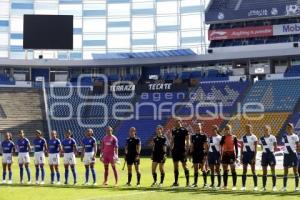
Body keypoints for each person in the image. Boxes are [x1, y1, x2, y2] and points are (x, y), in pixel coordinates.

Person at [170, 118, 190, 187]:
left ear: (180, 122)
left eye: (177, 121)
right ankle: (176, 182)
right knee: (175, 166)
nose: (175, 123)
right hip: (175, 151)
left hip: (182, 151)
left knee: (185, 166)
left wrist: (187, 149)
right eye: (175, 121)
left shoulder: (185, 130)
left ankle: (187, 182)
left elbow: (187, 140)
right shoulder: (174, 130)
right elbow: (172, 140)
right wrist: (170, 147)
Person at [281, 123, 299, 192]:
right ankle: (284, 187)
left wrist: (297, 152)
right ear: (286, 128)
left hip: (293, 155)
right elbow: (284, 145)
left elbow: (298, 145)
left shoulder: (295, 136)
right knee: (285, 171)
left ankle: (296, 187)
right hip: (286, 155)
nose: (289, 128)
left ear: (292, 128)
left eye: (290, 127)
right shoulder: (284, 136)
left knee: (295, 171)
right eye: (288, 127)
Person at [259, 125, 277, 192]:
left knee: (273, 171)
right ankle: (264, 187)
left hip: (271, 155)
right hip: (264, 155)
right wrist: (265, 152)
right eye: (264, 130)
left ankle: (274, 186)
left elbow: (275, 146)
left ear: (269, 130)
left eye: (267, 130)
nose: (265, 131)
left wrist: (271, 153)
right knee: (264, 171)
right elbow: (261, 147)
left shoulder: (273, 137)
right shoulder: (261, 139)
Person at [190, 122, 208, 188]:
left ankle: (205, 183)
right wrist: (190, 154)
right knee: (195, 169)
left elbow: (206, 146)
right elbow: (192, 145)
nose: (198, 126)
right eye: (197, 125)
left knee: (203, 168)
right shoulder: (193, 136)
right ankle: (195, 183)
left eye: (199, 125)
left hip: (202, 154)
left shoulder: (204, 135)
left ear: (201, 127)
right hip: (195, 154)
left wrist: (206, 155)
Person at [240, 124, 258, 191]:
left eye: (249, 128)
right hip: (245, 155)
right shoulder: (243, 137)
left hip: (251, 154)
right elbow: (242, 147)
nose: (248, 129)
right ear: (245, 129)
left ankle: (255, 186)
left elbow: (256, 148)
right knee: (244, 171)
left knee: (253, 171)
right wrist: (241, 156)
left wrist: (254, 157)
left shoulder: (254, 137)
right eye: (247, 128)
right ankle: (243, 186)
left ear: (251, 128)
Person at [220, 125, 238, 190]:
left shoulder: (234, 137)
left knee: (233, 170)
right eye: (226, 129)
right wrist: (224, 137)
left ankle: (234, 186)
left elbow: (236, 147)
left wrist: (236, 156)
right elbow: (221, 144)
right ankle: (225, 185)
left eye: (228, 129)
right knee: (225, 170)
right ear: (225, 130)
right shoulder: (223, 137)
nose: (227, 130)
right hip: (225, 155)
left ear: (230, 129)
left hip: (231, 155)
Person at [208, 125, 222, 189]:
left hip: (217, 154)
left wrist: (220, 156)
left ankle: (219, 184)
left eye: (215, 129)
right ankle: (212, 184)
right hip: (211, 154)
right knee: (212, 170)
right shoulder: (210, 137)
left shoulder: (220, 137)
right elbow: (209, 147)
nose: (213, 130)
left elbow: (221, 148)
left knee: (217, 169)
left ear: (217, 129)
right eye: (212, 129)